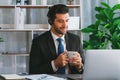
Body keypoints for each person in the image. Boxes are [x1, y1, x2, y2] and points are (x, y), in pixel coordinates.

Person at [29, 4, 84, 74]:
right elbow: (33, 71)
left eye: (67, 20)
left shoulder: (76, 40)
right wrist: (55, 64)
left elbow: (85, 69)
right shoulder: (38, 42)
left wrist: (79, 66)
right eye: (60, 21)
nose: (65, 25)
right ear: (51, 22)